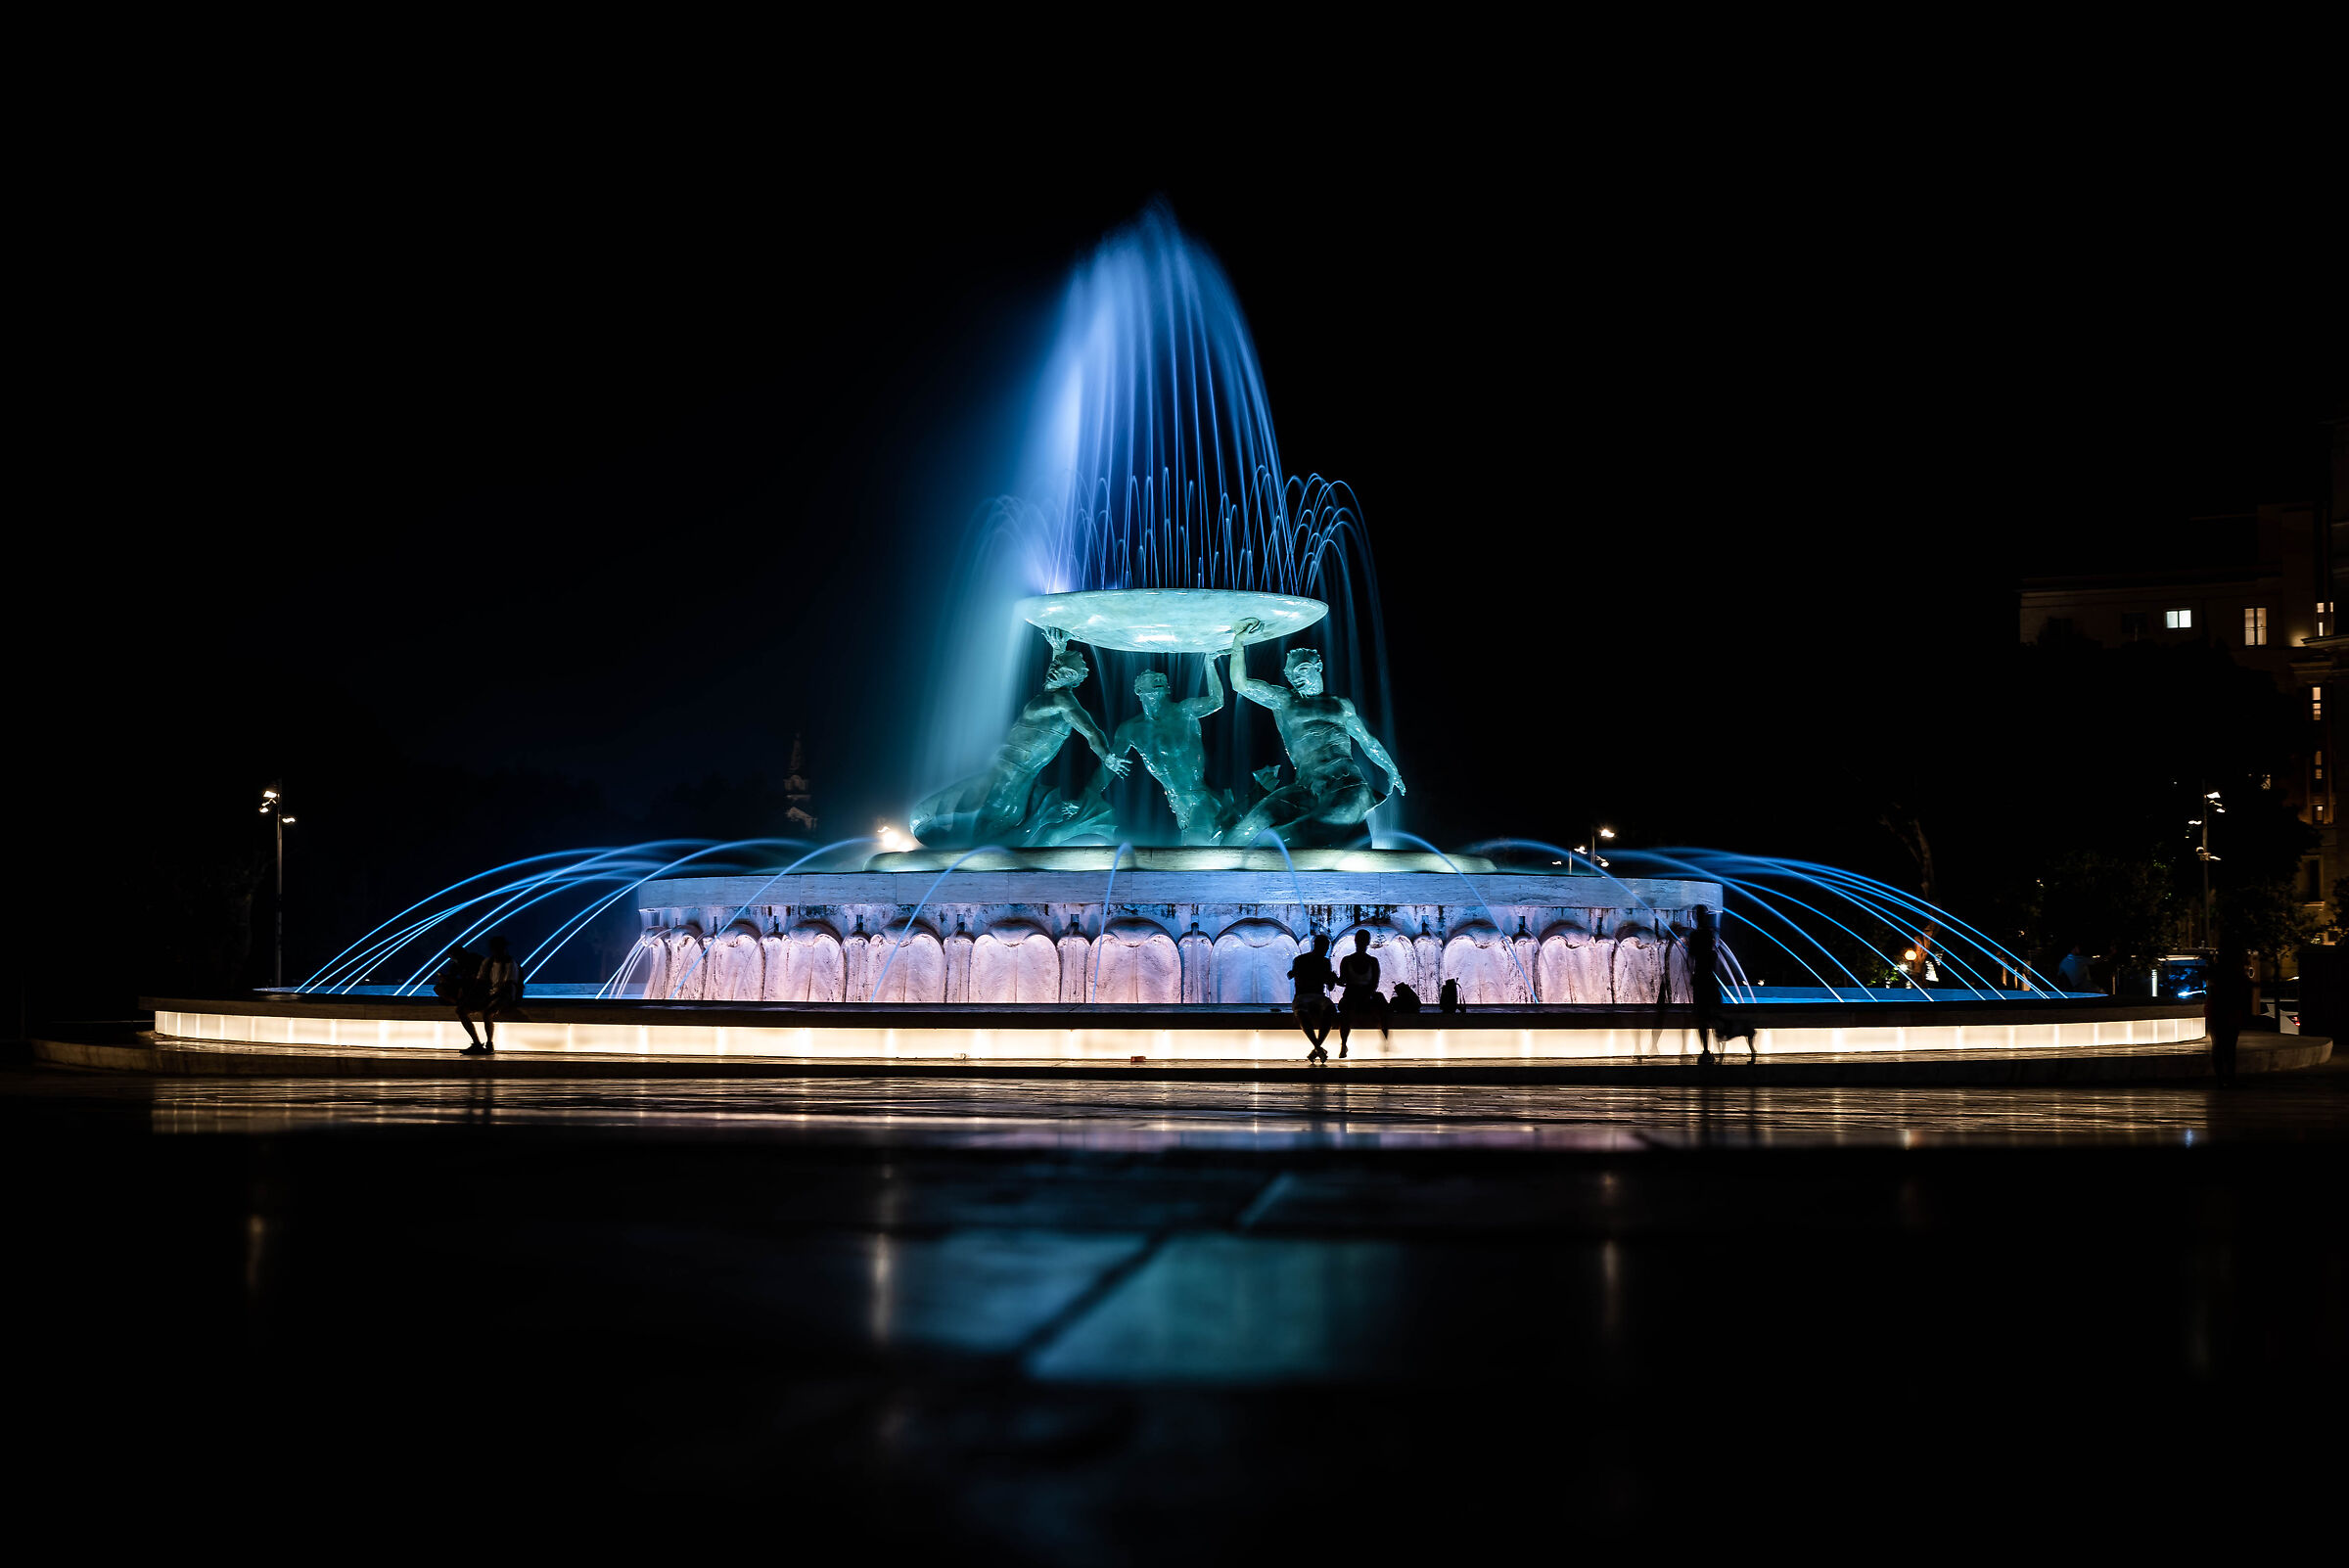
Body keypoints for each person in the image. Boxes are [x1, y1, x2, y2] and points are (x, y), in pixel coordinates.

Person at [460, 935, 522, 1055]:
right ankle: (477, 1043)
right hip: (490, 994)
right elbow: (479, 982)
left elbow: (508, 987)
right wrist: (470, 998)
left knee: (487, 1013)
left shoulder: (510, 964)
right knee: (461, 1011)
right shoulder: (488, 962)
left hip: (505, 996)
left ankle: (489, 1044)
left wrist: (488, 999)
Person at [1334, 930, 1389, 1057]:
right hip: (1361, 996)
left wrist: (1335, 980)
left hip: (1354, 995)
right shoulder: (1371, 961)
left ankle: (1344, 1044)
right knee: (1348, 1012)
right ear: (1368, 942)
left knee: (1346, 1013)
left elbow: (1343, 981)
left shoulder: (1348, 960)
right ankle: (1386, 1040)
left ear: (1355, 941)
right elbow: (1374, 983)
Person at [1288, 933, 1338, 1064]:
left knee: (1328, 1011)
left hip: (1312, 996)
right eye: (1324, 948)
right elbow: (1300, 981)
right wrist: (1327, 978)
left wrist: (1331, 979)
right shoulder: (1303, 960)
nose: (1325, 951)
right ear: (1317, 946)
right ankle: (1317, 1048)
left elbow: (1330, 986)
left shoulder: (1320, 962)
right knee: (1306, 1013)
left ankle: (1317, 1048)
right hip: (1306, 996)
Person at [2207, 940, 2251, 1086]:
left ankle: (2221, 1078)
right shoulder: (2236, 972)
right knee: (2229, 1045)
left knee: (2220, 1043)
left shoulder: (2218, 969)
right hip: (2229, 1009)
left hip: (2219, 1009)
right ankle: (2228, 1077)